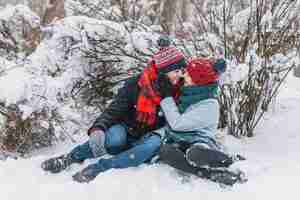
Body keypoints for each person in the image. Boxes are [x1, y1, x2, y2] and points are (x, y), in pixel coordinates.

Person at [41, 36, 187, 183]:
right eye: (176, 71)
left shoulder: (181, 89)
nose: (181, 75)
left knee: (152, 145)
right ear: (162, 71)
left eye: (182, 70)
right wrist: (98, 128)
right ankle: (69, 158)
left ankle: (101, 168)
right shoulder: (136, 84)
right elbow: (115, 109)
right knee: (114, 137)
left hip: (152, 135)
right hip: (128, 129)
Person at [157, 58, 246, 185]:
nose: (183, 75)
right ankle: (208, 174)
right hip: (183, 140)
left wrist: (166, 97)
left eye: (188, 74)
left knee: (195, 154)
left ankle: (229, 162)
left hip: (201, 141)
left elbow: (177, 124)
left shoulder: (209, 104)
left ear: (197, 81)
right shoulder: (190, 95)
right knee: (165, 151)